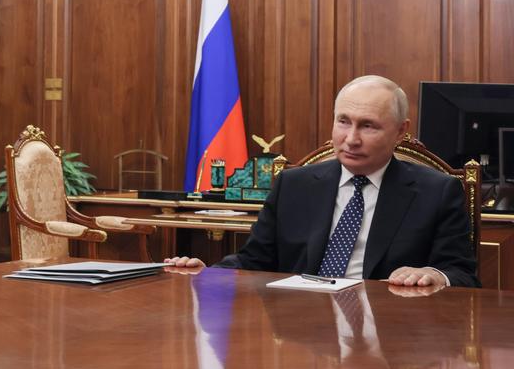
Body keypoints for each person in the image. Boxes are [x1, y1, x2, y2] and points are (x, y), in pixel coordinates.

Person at [164, 75, 478, 288]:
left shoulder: (436, 192)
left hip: (389, 330)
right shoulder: (293, 185)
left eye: (368, 126)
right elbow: (253, 261)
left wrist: (433, 274)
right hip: (301, 332)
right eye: (343, 122)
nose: (351, 139)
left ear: (400, 131)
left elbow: (462, 274)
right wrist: (208, 274)